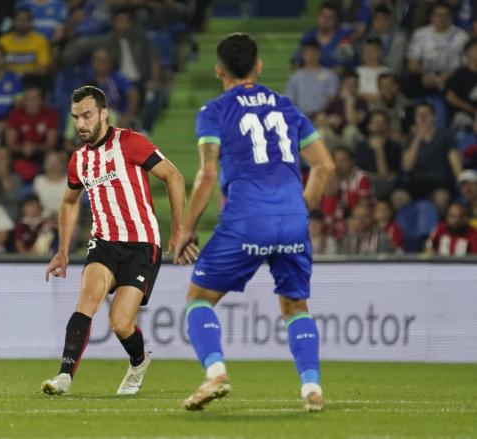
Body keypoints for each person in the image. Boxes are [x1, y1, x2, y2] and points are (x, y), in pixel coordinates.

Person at [172, 34, 334, 411]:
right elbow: (325, 166)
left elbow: (208, 175)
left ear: (218, 70)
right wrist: (299, 208)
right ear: (258, 66)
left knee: (200, 298)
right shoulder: (288, 108)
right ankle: (312, 389)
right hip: (293, 217)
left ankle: (215, 373)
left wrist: (187, 228)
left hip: (247, 218)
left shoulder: (214, 111)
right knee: (296, 306)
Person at [41, 85, 185, 397]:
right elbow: (68, 202)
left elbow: (173, 176)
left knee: (120, 323)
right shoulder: (79, 160)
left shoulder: (130, 142)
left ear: (104, 114)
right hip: (104, 241)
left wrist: (178, 230)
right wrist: (62, 251)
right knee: (88, 298)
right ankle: (64, 376)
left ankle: (138, 360)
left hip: (142, 244)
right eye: (76, 117)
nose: (81, 124)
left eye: (87, 115)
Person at [406, 2, 469, 97]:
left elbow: (466, 63)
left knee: (463, 79)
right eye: (437, 15)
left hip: (451, 76)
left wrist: (445, 76)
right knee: (409, 80)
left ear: (451, 16)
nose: (441, 18)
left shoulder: (462, 36)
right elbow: (412, 62)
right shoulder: (420, 33)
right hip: (425, 74)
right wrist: (426, 76)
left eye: (445, 15)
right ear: (431, 16)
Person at [402, 103, 463, 199]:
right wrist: (417, 139)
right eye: (419, 115)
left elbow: (456, 165)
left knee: (440, 197)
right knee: (399, 198)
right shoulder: (410, 139)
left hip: (441, 184)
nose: (423, 118)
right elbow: (407, 167)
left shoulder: (446, 135)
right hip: (417, 184)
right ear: (415, 118)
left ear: (434, 116)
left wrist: (461, 182)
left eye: (426, 114)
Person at [4, 86, 58, 182]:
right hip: (19, 154)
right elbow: (10, 144)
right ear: (24, 101)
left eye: (35, 98)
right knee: (2, 155)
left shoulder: (50, 114)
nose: (31, 102)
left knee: (54, 156)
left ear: (41, 100)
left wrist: (34, 147)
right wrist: (23, 148)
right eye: (28, 99)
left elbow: (51, 144)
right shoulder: (15, 114)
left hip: (42, 155)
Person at [284, 40, 339, 117]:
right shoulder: (295, 77)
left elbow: (332, 99)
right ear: (303, 55)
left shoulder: (329, 75)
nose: (310, 56)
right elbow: (290, 100)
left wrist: (320, 113)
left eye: (313, 53)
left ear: (319, 54)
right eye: (307, 53)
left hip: (323, 117)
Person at [0, 8, 52, 79]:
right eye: (18, 20)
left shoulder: (40, 40)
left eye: (24, 20)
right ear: (13, 22)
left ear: (31, 22)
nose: (21, 23)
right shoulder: (3, 41)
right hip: (8, 79)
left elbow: (43, 69)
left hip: (32, 80)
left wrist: (23, 73)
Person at [445, 37, 477, 131]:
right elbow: (450, 97)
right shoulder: (459, 74)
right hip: (465, 113)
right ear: (468, 52)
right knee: (461, 119)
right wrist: (471, 109)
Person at [32, 150, 67, 217]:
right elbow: (35, 204)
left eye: (56, 161)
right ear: (44, 164)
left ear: (62, 164)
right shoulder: (38, 180)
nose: (53, 165)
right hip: (42, 219)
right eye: (49, 161)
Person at [355, 38, 390, 103]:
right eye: (366, 50)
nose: (369, 53)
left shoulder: (387, 72)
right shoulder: (356, 71)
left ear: (380, 52)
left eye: (373, 50)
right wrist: (364, 97)